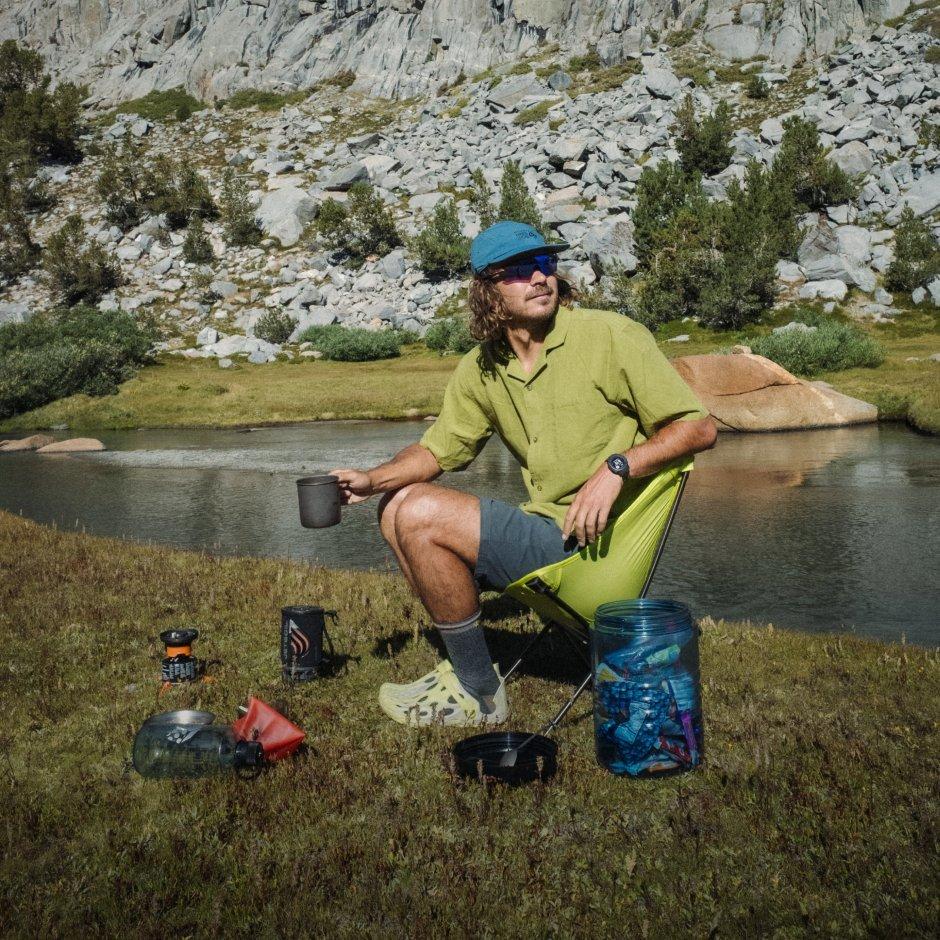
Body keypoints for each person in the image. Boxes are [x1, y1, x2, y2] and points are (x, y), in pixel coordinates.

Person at [330, 221, 717, 726]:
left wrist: (617, 466)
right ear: (487, 289)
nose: (539, 277)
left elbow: (698, 428)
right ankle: (468, 670)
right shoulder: (483, 366)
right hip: (547, 529)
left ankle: (479, 693)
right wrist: (372, 478)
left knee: (420, 511)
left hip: (594, 548)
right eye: (518, 270)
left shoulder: (610, 336)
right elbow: (439, 450)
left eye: (546, 264)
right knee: (396, 506)